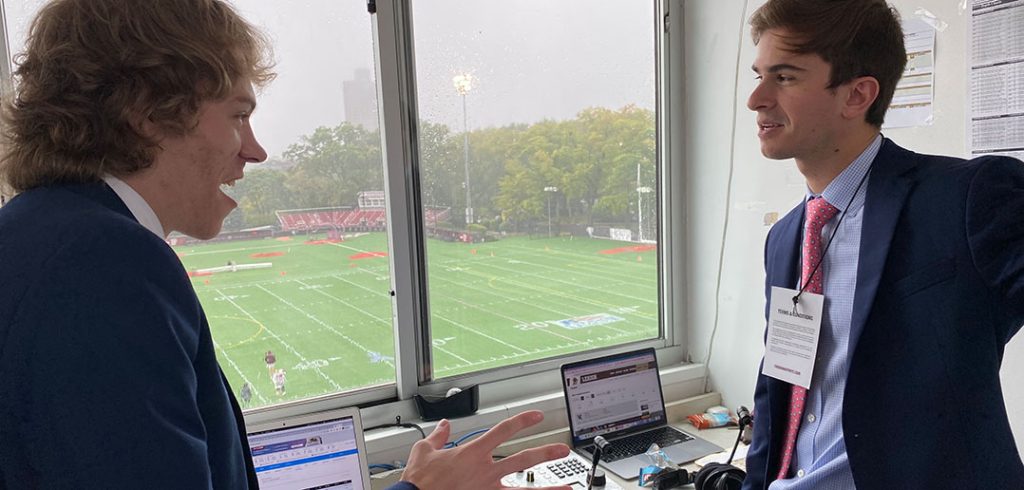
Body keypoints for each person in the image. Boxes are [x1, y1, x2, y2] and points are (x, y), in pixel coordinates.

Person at [0, 1, 569, 488]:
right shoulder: (101, 264)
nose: (256, 151)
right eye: (238, 116)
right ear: (149, 115)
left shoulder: (45, 235)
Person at [741, 1, 1024, 489]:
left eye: (784, 77)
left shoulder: (967, 198)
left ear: (857, 95)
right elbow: (778, 392)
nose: (756, 99)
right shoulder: (785, 238)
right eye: (759, 74)